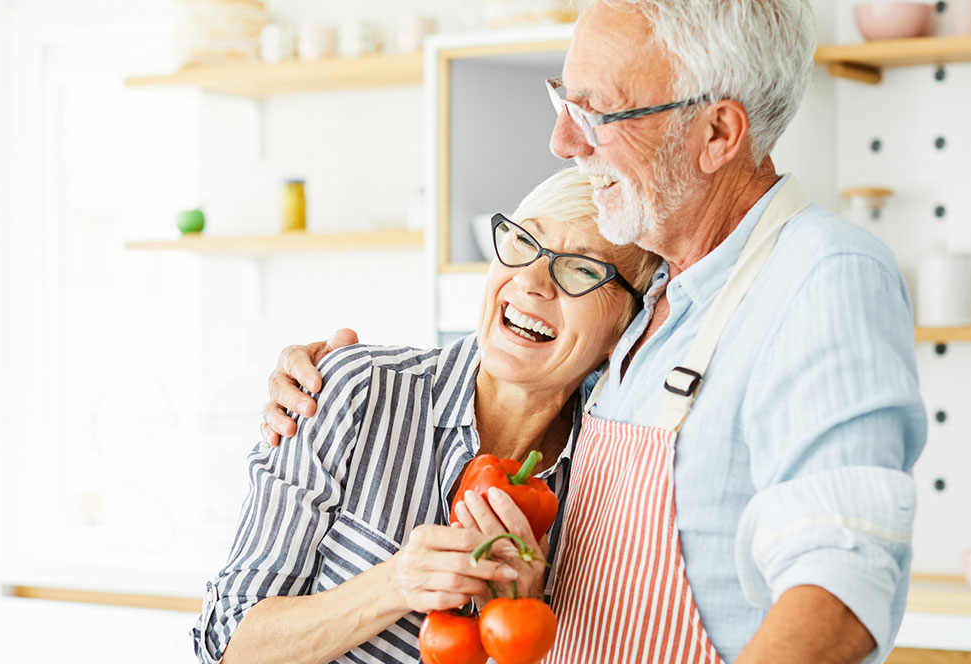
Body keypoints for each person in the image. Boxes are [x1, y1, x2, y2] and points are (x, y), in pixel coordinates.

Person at [260, 1, 928, 662]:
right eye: (565, 103)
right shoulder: (654, 301)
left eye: (599, 115)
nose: (564, 144)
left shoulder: (819, 273)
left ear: (718, 134)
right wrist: (328, 373)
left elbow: (841, 592)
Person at [193, 167, 659, 664]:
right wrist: (393, 584)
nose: (530, 282)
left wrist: (523, 637)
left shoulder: (608, 485)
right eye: (524, 243)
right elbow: (227, 643)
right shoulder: (357, 389)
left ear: (626, 328)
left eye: (582, 270)